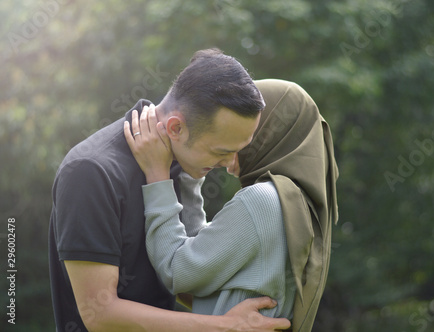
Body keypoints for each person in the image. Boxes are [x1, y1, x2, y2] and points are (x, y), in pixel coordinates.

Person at [49, 49, 291, 332]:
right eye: (221, 152)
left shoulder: (179, 166)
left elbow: (181, 280)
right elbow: (100, 314)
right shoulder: (91, 172)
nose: (230, 164)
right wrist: (224, 326)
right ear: (176, 128)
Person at [124, 79, 339, 332]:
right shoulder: (296, 204)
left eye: (246, 137)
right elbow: (200, 270)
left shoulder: (263, 200)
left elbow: (177, 271)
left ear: (270, 133)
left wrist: (158, 175)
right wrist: (192, 172)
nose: (230, 155)